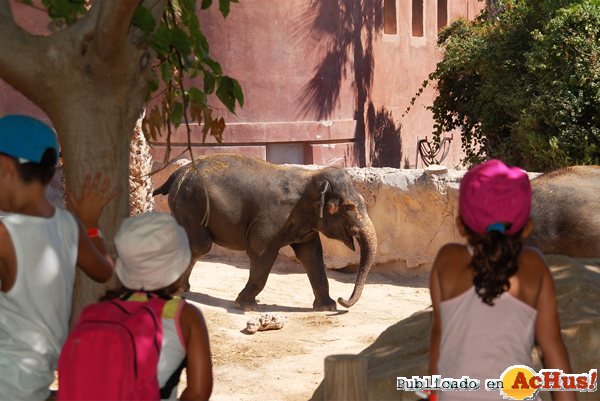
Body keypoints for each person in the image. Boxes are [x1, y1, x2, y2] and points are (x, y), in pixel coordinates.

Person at [429, 159, 576, 401]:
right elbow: (552, 348)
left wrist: (434, 397)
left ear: (461, 226)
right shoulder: (535, 265)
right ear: (526, 228)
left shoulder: (447, 260)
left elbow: (439, 335)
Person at [0, 114, 115, 400]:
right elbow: (104, 271)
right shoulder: (70, 226)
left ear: (4, 166)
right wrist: (91, 224)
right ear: (51, 172)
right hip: (35, 379)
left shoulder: (4, 233)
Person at [93, 212, 213, 400]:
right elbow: (198, 394)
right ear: (178, 264)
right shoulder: (185, 316)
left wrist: (90, 225)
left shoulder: (97, 311)